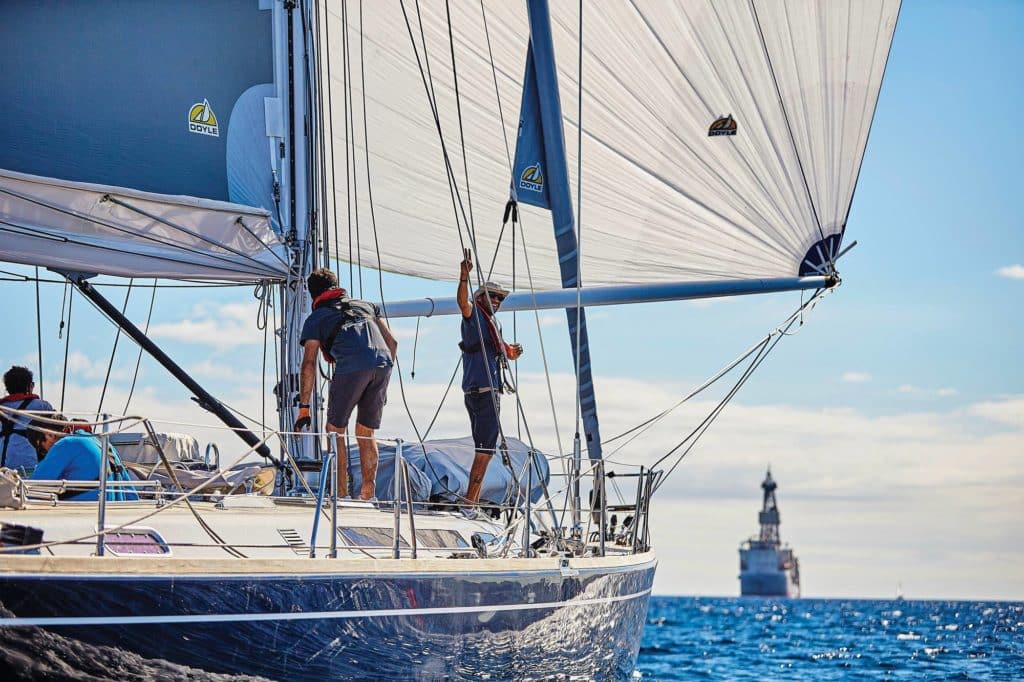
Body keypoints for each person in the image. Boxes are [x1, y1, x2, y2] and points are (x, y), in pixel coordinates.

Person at [296, 268, 397, 500]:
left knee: (335, 431)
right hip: (383, 364)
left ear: (313, 295)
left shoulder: (317, 318)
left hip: (352, 365)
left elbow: (309, 363)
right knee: (365, 432)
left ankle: (340, 497)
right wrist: (382, 381)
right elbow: (392, 342)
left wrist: (304, 407)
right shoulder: (366, 306)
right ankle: (367, 495)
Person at [457, 249, 523, 507]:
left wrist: (510, 352)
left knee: (483, 447)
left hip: (475, 389)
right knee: (486, 449)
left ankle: (470, 500)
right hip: (485, 390)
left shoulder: (490, 325)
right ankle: (470, 502)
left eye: (500, 298)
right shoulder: (474, 315)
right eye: (492, 296)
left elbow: (498, 349)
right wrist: (464, 277)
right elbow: (463, 304)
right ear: (479, 297)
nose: (496, 300)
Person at [30, 419, 138, 501]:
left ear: (49, 435)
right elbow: (131, 494)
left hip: (83, 516)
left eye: (40, 448)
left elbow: (34, 487)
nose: (44, 453)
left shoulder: (65, 444)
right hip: (114, 516)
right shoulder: (105, 445)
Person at [1, 366, 55, 471]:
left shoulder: (1, 408)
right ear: (29, 386)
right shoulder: (42, 407)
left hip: (2, 472)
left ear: (7, 388)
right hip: (29, 469)